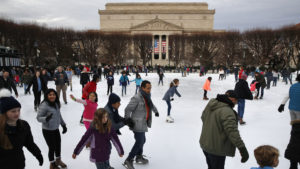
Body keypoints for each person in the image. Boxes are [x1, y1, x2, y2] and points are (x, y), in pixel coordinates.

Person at [200, 90, 249, 169]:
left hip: (206, 144)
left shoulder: (211, 104)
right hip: (216, 149)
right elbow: (232, 132)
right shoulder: (227, 111)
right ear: (232, 99)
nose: (236, 104)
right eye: (236, 101)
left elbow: (203, 117)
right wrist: (242, 149)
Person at [0, 89, 43, 169]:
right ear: (4, 112)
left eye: (18, 110)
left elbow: (29, 143)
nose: (17, 113)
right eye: (13, 111)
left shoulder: (23, 125)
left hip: (19, 164)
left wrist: (38, 154)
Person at [123, 80, 159, 169]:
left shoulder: (147, 96)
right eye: (148, 88)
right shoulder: (137, 98)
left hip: (144, 123)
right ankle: (128, 160)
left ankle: (138, 157)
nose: (149, 90)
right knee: (139, 142)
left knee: (142, 141)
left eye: (150, 88)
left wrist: (156, 111)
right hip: (137, 123)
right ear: (142, 88)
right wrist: (128, 120)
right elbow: (127, 109)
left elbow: (150, 104)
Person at [37, 89, 68, 169]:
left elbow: (59, 115)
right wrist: (46, 119)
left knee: (58, 146)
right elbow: (38, 118)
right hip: (47, 130)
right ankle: (52, 164)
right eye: (50, 95)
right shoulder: (44, 105)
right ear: (47, 96)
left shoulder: (56, 104)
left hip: (55, 128)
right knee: (52, 147)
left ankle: (58, 160)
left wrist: (63, 125)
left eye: (53, 94)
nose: (52, 96)